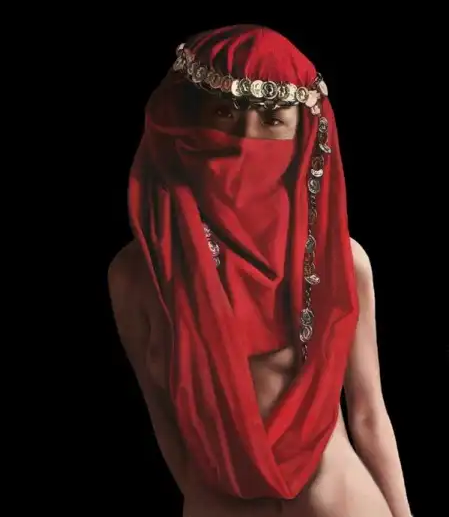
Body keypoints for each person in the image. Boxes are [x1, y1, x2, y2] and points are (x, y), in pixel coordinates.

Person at [108, 25, 412, 516]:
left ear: (303, 134)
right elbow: (165, 424)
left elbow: (369, 414)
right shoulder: (137, 274)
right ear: (186, 117)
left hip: (334, 493)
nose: (244, 140)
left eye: (272, 119)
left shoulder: (343, 260)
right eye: (225, 113)